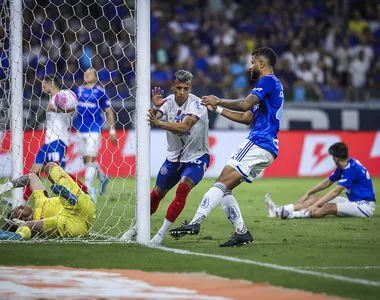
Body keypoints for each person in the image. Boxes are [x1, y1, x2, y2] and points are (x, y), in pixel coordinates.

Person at [170, 47, 284, 247]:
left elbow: (244, 106)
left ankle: (195, 223)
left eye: (252, 62)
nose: (250, 66)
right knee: (226, 188)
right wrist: (218, 109)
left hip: (259, 141)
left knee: (221, 181)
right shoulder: (270, 86)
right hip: (267, 146)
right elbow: (246, 117)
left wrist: (218, 99)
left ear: (261, 64)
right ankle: (241, 232)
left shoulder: (267, 81)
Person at [120, 70, 210, 245]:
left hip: (197, 157)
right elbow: (153, 118)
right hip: (173, 159)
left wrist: (159, 123)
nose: (182, 92)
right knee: (156, 195)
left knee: (183, 189)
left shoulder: (198, 105)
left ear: (190, 88)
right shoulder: (167, 102)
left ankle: (161, 233)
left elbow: (184, 127)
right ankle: (137, 228)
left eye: (185, 88)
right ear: (173, 87)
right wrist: (155, 108)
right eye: (178, 88)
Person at [265, 142, 376, 219]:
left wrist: (317, 205)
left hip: (364, 206)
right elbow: (327, 182)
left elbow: (335, 192)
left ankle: (291, 215)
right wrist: (308, 193)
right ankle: (278, 210)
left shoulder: (352, 169)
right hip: (353, 202)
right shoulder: (346, 165)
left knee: (327, 207)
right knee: (317, 198)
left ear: (336, 158)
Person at [0, 162, 96, 240]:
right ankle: (16, 236)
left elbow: (31, 177)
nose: (17, 207)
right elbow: (28, 226)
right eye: (15, 212)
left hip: (80, 204)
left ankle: (66, 192)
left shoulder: (40, 201)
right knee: (32, 225)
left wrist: (5, 187)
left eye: (15, 208)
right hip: (73, 225)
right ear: (18, 220)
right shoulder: (35, 223)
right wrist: (20, 228)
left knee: (49, 166)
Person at [23, 76, 73, 201]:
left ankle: (82, 192)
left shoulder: (62, 96)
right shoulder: (52, 99)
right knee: (34, 172)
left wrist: (54, 109)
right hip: (48, 141)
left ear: (50, 83)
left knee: (58, 175)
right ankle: (22, 199)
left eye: (43, 84)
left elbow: (72, 111)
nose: (42, 87)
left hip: (58, 140)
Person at [73, 68, 117, 202]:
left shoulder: (100, 92)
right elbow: (71, 108)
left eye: (90, 73)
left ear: (96, 77)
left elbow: (109, 111)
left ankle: (89, 188)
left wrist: (112, 131)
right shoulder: (78, 91)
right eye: (85, 73)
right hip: (80, 130)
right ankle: (103, 177)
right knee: (87, 161)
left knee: (91, 159)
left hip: (94, 129)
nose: (87, 75)